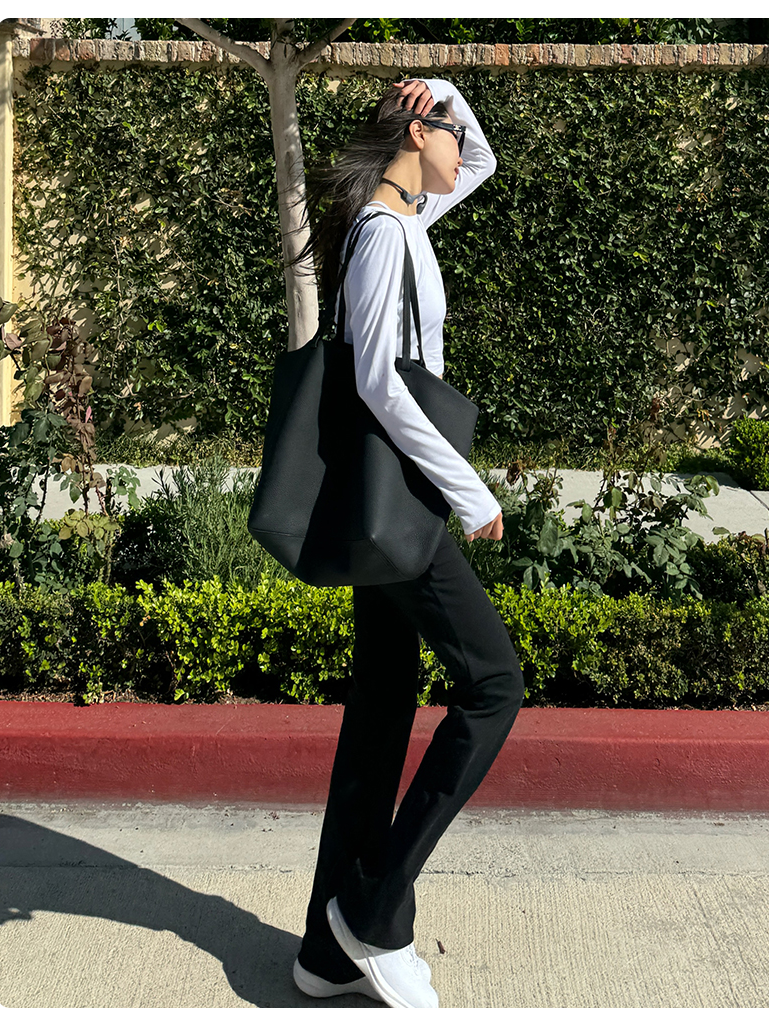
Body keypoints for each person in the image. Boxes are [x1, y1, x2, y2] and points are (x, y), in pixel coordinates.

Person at [290, 77, 525, 1009]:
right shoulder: (385, 234)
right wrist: (469, 492)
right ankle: (374, 910)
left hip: (385, 504)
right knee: (494, 684)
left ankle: (325, 952)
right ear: (416, 135)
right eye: (447, 130)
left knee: (383, 711)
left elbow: (486, 159)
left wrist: (448, 91)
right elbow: (380, 383)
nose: (462, 145)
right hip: (406, 501)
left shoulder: (407, 217)